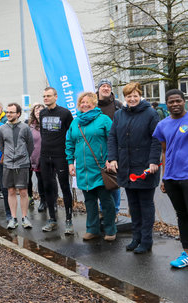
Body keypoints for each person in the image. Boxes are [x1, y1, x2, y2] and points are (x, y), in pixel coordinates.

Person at [153, 89, 188, 279]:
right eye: (170, 102)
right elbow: (165, 152)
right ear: (166, 104)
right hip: (172, 178)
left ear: (184, 101)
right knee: (182, 216)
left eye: (178, 101)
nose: (174, 104)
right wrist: (165, 178)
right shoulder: (162, 125)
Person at [107, 82, 161, 253]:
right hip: (126, 167)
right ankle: (136, 237)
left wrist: (153, 161)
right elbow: (112, 137)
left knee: (145, 205)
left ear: (140, 95)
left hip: (145, 167)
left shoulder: (151, 113)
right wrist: (113, 158)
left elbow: (156, 139)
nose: (132, 99)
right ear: (125, 98)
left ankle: (146, 240)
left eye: (135, 95)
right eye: (128, 96)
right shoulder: (119, 115)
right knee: (133, 205)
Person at [65, 92, 116, 241]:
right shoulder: (75, 122)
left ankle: (110, 230)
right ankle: (92, 229)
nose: (84, 105)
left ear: (94, 103)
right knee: (89, 201)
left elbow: (113, 140)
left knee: (106, 201)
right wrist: (70, 162)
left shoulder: (104, 120)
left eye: (88, 102)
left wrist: (111, 159)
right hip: (83, 168)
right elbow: (69, 143)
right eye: (82, 102)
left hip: (101, 168)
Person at [40, 87, 74, 235]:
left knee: (64, 187)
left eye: (48, 96)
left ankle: (68, 220)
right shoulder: (42, 113)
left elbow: (71, 134)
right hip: (45, 155)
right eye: (44, 96)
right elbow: (43, 133)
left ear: (56, 96)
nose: (46, 98)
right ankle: (52, 219)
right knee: (47, 187)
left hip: (60, 156)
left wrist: (70, 156)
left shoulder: (65, 113)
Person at [0, 103, 34, 229]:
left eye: (11, 112)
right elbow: (1, 146)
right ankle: (13, 218)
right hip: (8, 165)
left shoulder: (25, 128)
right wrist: (9, 156)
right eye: (7, 112)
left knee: (23, 191)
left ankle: (25, 217)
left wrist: (22, 157)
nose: (8, 114)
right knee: (11, 191)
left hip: (22, 164)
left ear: (18, 114)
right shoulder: (2, 128)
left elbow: (30, 146)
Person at [96, 78, 122, 218]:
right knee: (100, 181)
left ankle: (115, 211)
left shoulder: (117, 105)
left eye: (108, 86)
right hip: (96, 148)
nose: (106, 88)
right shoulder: (93, 105)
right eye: (103, 86)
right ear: (98, 89)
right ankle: (103, 209)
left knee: (113, 180)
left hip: (114, 147)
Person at [28, 103, 47, 213]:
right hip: (36, 158)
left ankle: (52, 201)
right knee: (40, 181)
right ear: (33, 113)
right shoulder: (31, 126)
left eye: (41, 110)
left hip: (49, 157)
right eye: (36, 110)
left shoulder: (49, 123)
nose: (38, 112)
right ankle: (42, 201)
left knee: (50, 181)